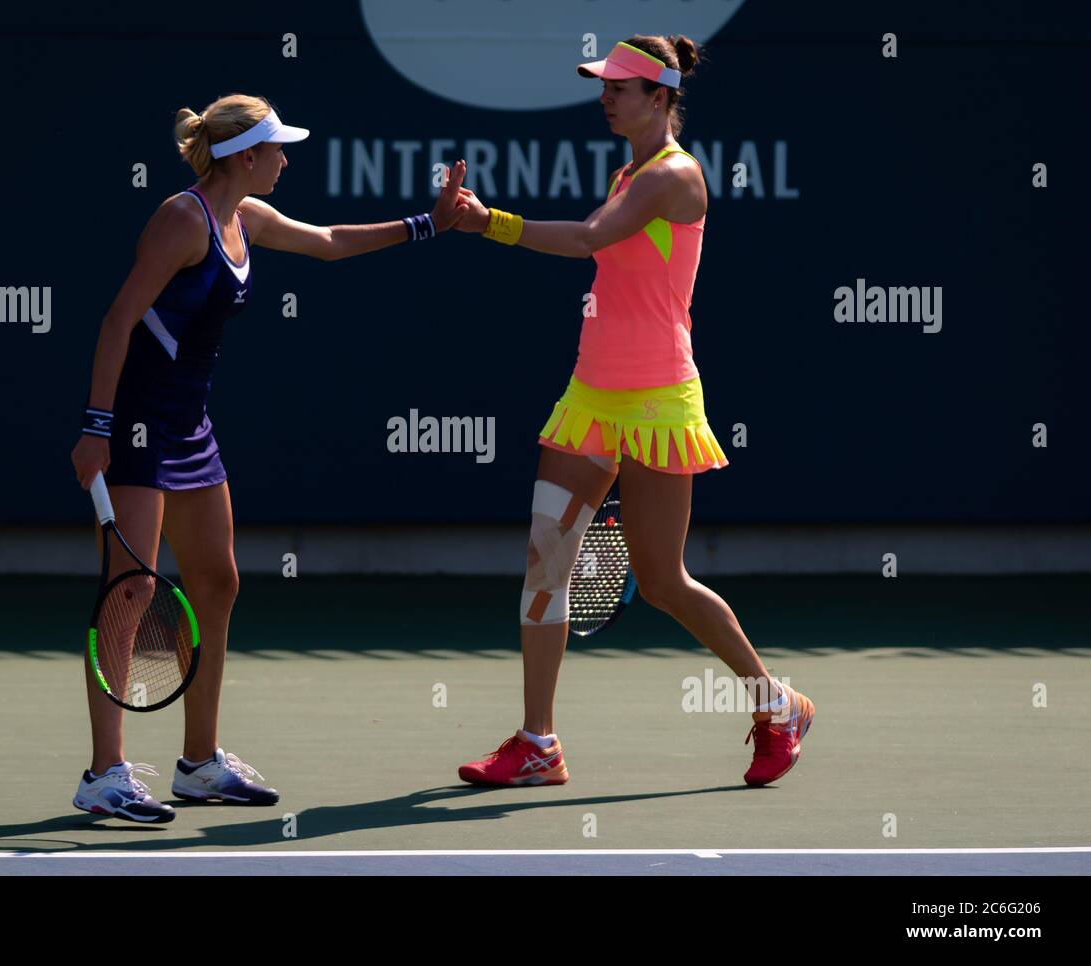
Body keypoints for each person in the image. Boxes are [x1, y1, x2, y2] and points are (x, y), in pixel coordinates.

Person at [70, 94, 470, 821]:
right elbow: (119, 318)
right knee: (129, 592)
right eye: (278, 148)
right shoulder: (181, 219)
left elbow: (329, 241)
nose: (287, 159)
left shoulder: (245, 218)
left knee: (217, 583)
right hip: (137, 428)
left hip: (191, 427)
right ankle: (104, 772)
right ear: (244, 156)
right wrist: (97, 426)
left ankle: (198, 763)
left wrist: (429, 225)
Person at [449, 36, 815, 788]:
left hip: (658, 402)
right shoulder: (630, 170)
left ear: (660, 98)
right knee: (545, 565)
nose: (606, 95)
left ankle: (777, 704)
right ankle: (538, 742)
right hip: (591, 397)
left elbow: (589, 240)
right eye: (603, 85)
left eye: (621, 86)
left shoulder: (673, 176)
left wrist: (490, 223)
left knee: (661, 582)